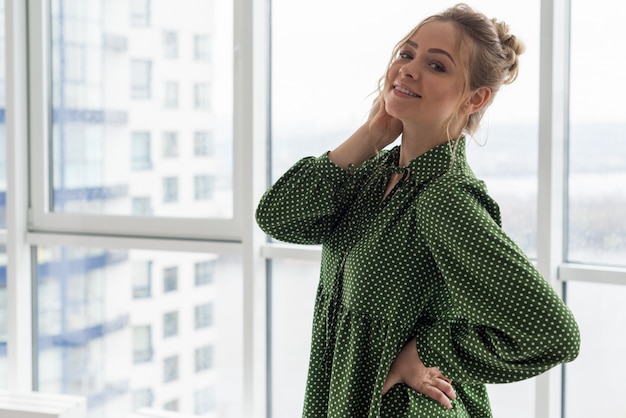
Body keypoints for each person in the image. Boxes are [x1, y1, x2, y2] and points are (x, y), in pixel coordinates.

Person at [256, 3, 580, 417]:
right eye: (406, 54)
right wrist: (372, 133)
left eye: (437, 66)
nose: (408, 69)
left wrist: (422, 352)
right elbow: (277, 218)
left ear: (475, 98)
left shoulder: (444, 199)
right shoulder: (374, 176)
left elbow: (552, 333)